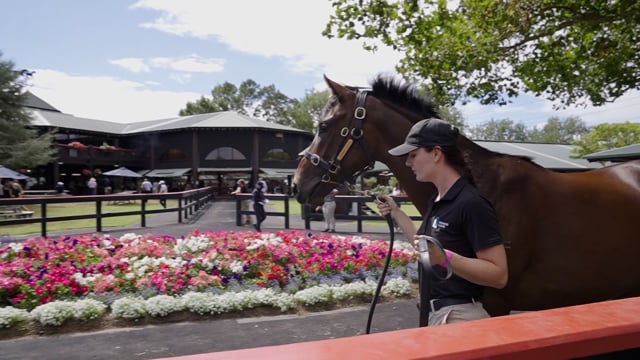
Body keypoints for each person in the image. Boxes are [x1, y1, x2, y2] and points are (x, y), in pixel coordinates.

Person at [375, 118, 508, 326]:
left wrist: (444, 258)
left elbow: (499, 275)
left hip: (459, 317)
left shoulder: (471, 203)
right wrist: (397, 213)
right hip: (437, 315)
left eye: (413, 155)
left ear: (436, 153)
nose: (408, 163)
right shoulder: (438, 200)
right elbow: (426, 249)